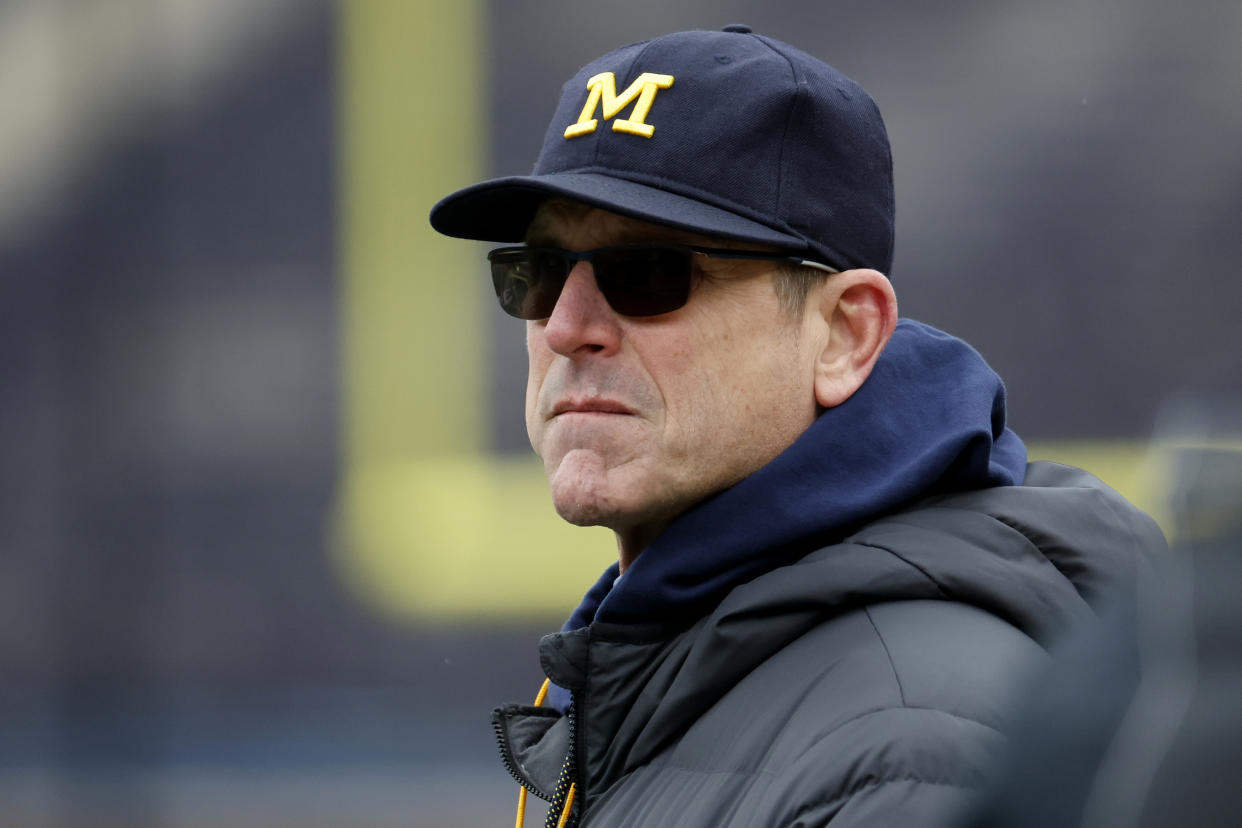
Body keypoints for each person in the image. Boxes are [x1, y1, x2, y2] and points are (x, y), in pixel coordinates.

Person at [428, 26, 1167, 828]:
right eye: (535, 273)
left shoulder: (905, 750)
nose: (567, 326)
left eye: (646, 272)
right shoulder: (691, 664)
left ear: (846, 334)